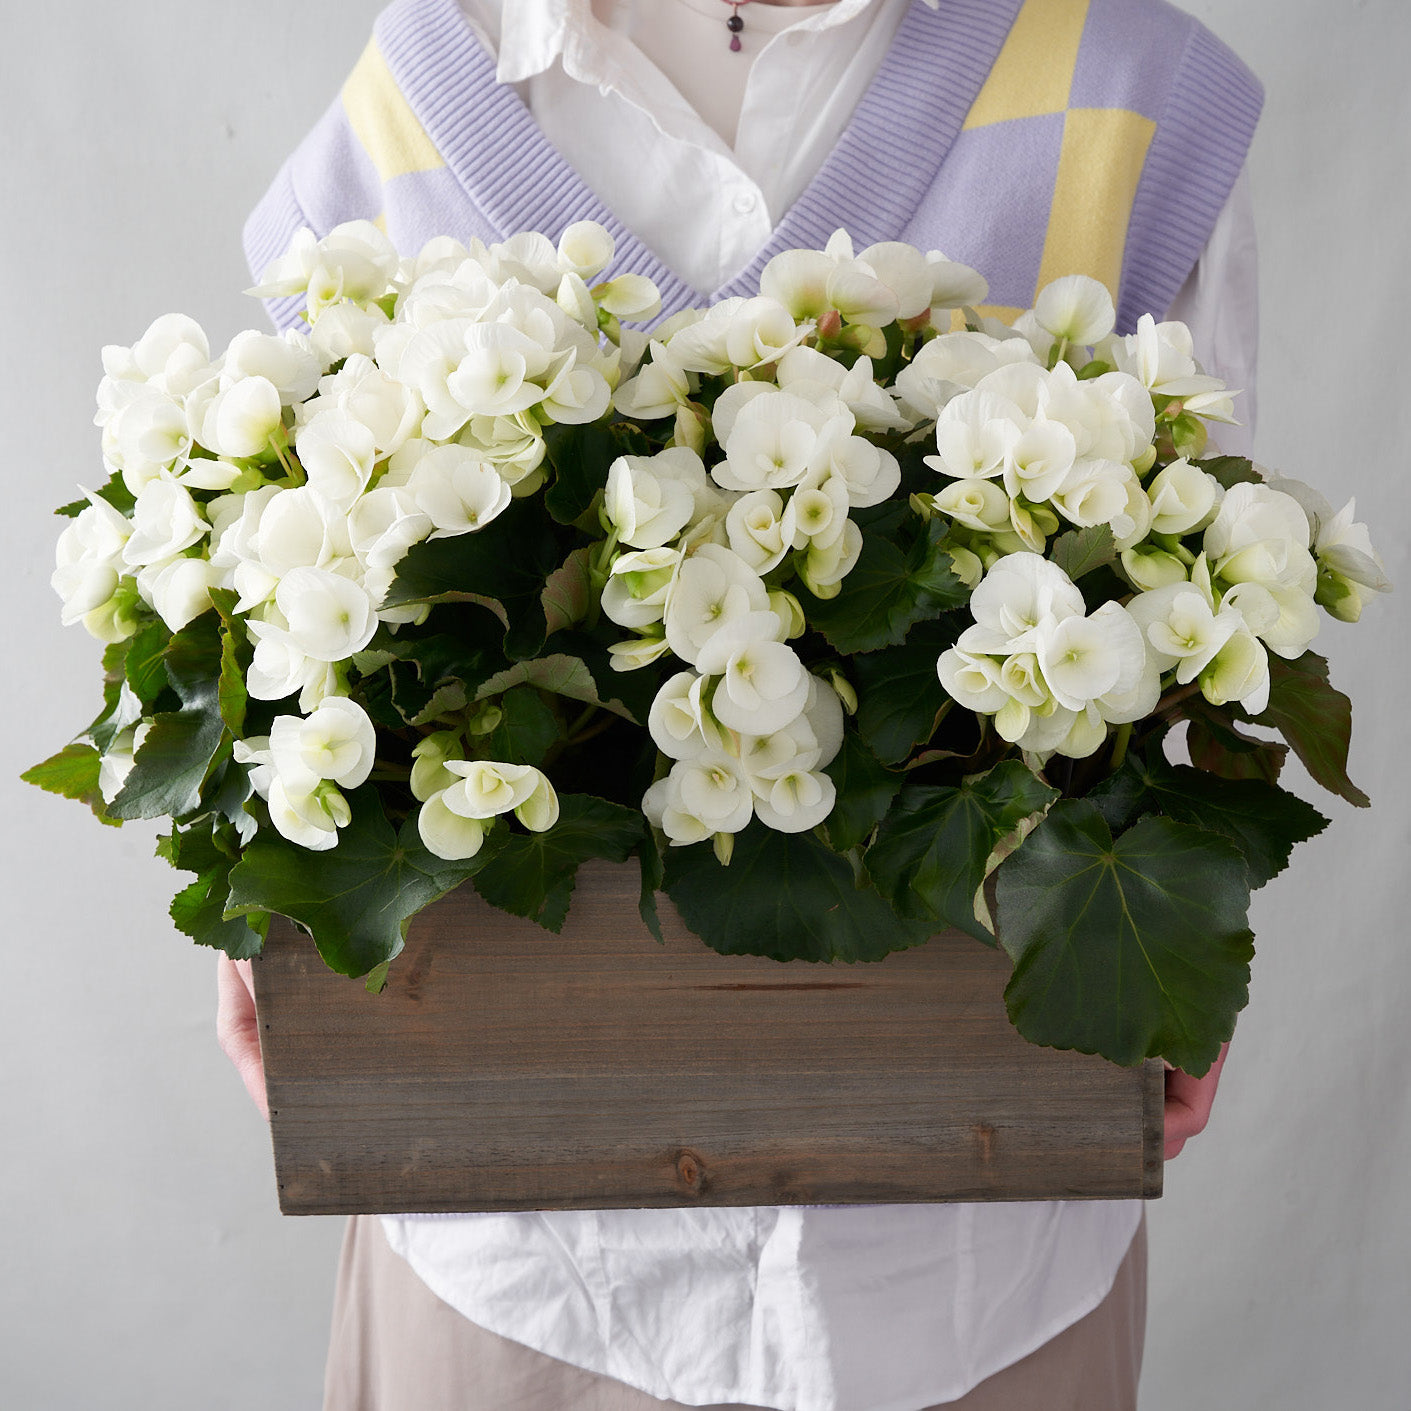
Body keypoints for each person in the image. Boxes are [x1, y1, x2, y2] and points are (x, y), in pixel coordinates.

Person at [220, 0, 1257, 1406]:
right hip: (520, 1274)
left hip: (982, 1270)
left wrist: (1175, 953)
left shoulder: (1134, 91)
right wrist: (259, 909)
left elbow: (1220, 606)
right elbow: (290, 580)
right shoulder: (411, 104)